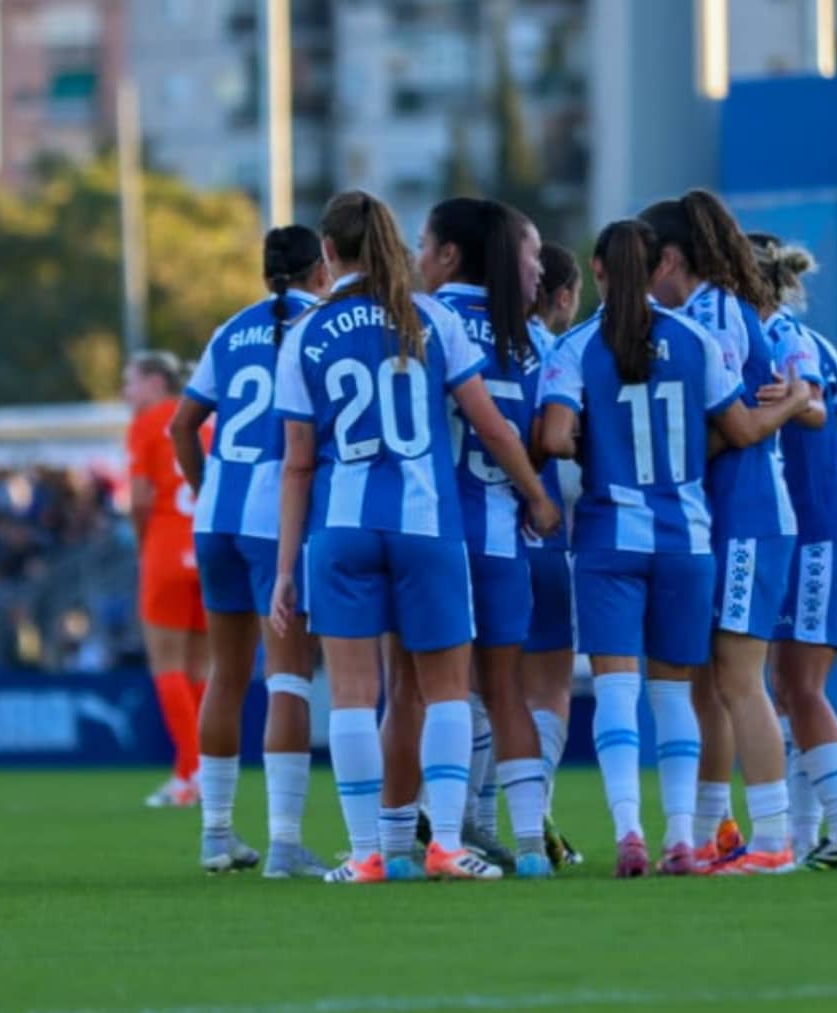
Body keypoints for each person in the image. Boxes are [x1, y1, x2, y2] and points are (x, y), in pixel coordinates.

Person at [269, 190, 561, 885]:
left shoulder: (305, 332)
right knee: (445, 689)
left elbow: (298, 464)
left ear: (328, 252)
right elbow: (491, 426)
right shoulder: (428, 317)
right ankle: (447, 844)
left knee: (353, 693)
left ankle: (368, 852)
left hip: (341, 529)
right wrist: (537, 494)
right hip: (428, 525)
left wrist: (284, 570)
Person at [537, 218, 811, 878]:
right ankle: (682, 837)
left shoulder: (576, 345)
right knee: (675, 695)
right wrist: (798, 398)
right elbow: (742, 428)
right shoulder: (695, 339)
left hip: (609, 536)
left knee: (615, 691)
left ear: (598, 271)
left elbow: (552, 437)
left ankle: (629, 830)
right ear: (657, 264)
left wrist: (591, 443)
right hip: (686, 538)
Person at [639, 190, 805, 874]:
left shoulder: (712, 315)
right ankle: (712, 832)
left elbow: (730, 427)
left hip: (745, 515)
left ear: (670, 259)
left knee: (739, 679)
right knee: (710, 682)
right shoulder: (707, 312)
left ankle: (773, 839)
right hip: (721, 517)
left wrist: (658, 459)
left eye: (645, 265)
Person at [172, 225, 331, 878]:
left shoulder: (230, 329)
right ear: (321, 269)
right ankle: (285, 842)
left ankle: (215, 834)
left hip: (216, 520)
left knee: (226, 675)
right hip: (276, 521)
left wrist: (204, 488)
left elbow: (182, 424)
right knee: (288, 676)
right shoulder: (323, 328)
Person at [407, 197, 553, 877]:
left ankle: (406, 836)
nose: (416, 257)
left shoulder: (417, 320)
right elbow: (547, 433)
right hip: (502, 530)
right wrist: (534, 492)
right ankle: (530, 847)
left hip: (429, 530)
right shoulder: (532, 337)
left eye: (423, 244)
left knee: (421, 691)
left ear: (449, 253)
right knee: (505, 690)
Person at [752, 233, 837, 871]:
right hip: (835, 526)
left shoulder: (775, 341)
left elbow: (815, 414)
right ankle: (804, 838)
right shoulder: (822, 345)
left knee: (799, 687)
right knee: (788, 687)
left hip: (818, 533)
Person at [123, 350, 209, 810]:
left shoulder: (147, 422)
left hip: (166, 547)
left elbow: (139, 498)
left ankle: (192, 773)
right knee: (202, 668)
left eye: (131, 382)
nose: (125, 393)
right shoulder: (208, 416)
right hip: (210, 548)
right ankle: (198, 772)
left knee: (168, 665)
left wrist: (145, 545)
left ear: (156, 382)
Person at [524, 241, 585, 868]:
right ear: (563, 296)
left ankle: (460, 817)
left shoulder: (468, 339)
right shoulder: (563, 353)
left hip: (467, 536)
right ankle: (531, 816)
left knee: (472, 689)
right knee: (549, 691)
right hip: (544, 535)